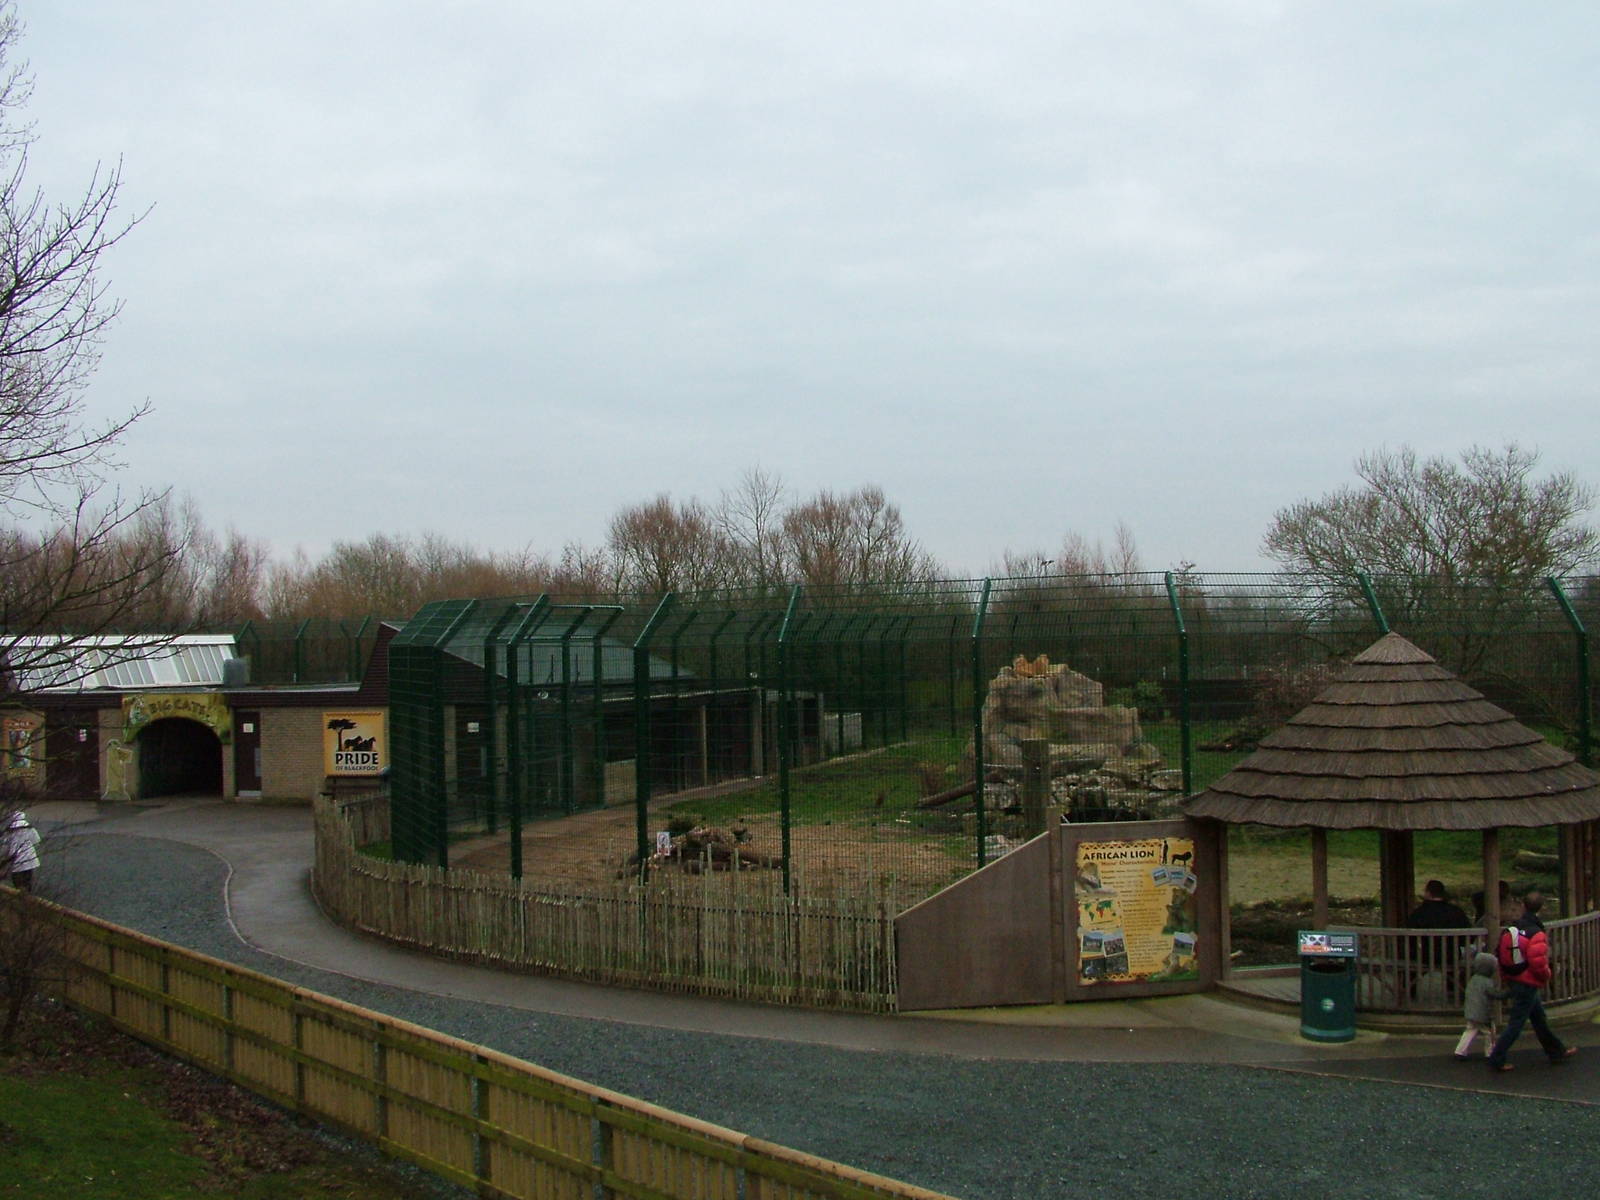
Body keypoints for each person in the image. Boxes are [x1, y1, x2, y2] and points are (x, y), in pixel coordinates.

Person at [1486, 891, 1578, 1072]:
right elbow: (1538, 963)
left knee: (1538, 1018)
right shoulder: (1536, 933)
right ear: (1540, 909)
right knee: (1516, 1023)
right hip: (1528, 982)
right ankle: (1497, 1058)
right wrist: (1546, 976)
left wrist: (1506, 977)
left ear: (1523, 906)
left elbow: (1500, 955)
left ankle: (1556, 1050)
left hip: (1514, 978)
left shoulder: (1511, 930)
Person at [1405, 880, 1471, 989]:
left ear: (1428, 893)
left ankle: (1409, 990)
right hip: (1451, 956)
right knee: (1453, 959)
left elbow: (1409, 938)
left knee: (1411, 959)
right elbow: (1466, 939)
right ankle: (1454, 989)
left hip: (1425, 956)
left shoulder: (1419, 913)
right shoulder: (1456, 912)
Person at [1454, 951, 1506, 1060]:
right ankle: (1490, 1052)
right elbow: (1493, 994)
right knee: (1489, 1033)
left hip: (1470, 1011)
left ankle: (1460, 1051)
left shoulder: (1473, 979)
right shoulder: (1487, 982)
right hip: (1482, 1014)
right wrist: (1505, 994)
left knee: (1470, 1030)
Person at [3, 809, 40, 892]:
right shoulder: (29, 828)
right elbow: (36, 840)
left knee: (17, 880)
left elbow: (5, 845)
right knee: (27, 880)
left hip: (15, 858)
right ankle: (27, 894)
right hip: (29, 858)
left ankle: (19, 893)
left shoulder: (9, 831)